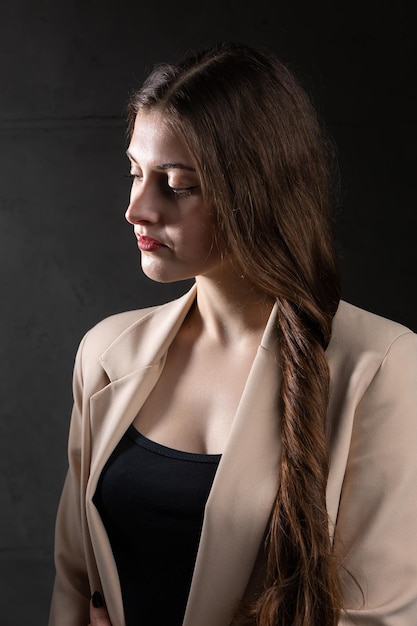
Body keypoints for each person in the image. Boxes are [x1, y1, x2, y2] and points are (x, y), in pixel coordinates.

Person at [48, 41, 417, 626]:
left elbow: (379, 617)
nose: (136, 209)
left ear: (257, 190)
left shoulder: (380, 364)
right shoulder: (106, 353)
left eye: (176, 184)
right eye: (135, 174)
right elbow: (74, 584)